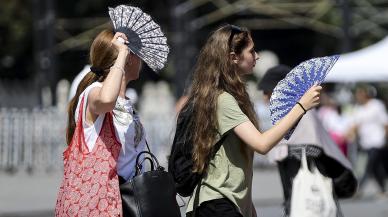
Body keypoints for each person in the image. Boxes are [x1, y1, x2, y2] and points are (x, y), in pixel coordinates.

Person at [183, 24, 322, 217]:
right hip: (217, 204)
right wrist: (301, 106)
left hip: (230, 203)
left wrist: (248, 208)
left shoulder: (233, 96)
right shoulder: (223, 100)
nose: (257, 56)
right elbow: (262, 144)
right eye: (251, 51)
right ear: (233, 58)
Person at [55, 5, 169, 216]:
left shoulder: (127, 102)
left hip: (127, 201)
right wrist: (122, 53)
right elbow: (107, 100)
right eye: (138, 54)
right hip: (100, 204)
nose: (141, 60)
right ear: (127, 59)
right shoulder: (93, 92)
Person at [258, 65, 357, 217]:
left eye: (267, 92)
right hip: (300, 197)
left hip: (309, 196)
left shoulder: (301, 112)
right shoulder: (290, 112)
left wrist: (288, 150)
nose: (265, 97)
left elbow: (312, 149)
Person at [350, 84, 388, 195]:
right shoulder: (358, 108)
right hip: (365, 142)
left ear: (366, 94)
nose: (358, 96)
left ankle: (358, 188)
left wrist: (385, 139)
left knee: (368, 165)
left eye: (360, 94)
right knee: (376, 167)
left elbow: (385, 123)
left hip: (377, 141)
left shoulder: (377, 106)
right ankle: (383, 189)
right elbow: (355, 125)